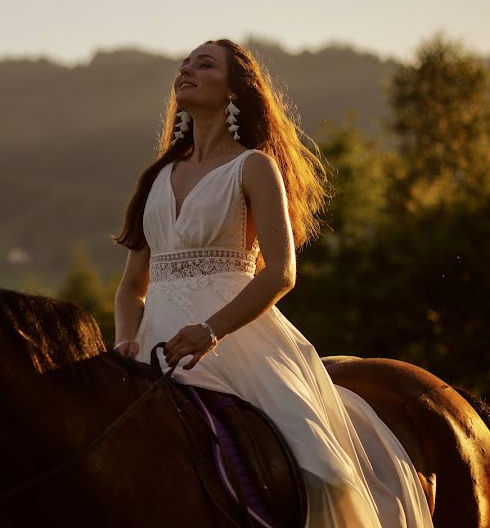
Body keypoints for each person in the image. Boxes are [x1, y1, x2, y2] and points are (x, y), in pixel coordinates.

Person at [112, 40, 432, 526]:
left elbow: (282, 272)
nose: (187, 70)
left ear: (235, 90)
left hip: (236, 341)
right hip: (156, 347)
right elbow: (132, 284)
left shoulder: (253, 167)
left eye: (204, 64)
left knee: (324, 472)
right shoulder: (156, 178)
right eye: (184, 64)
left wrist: (210, 331)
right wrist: (125, 340)